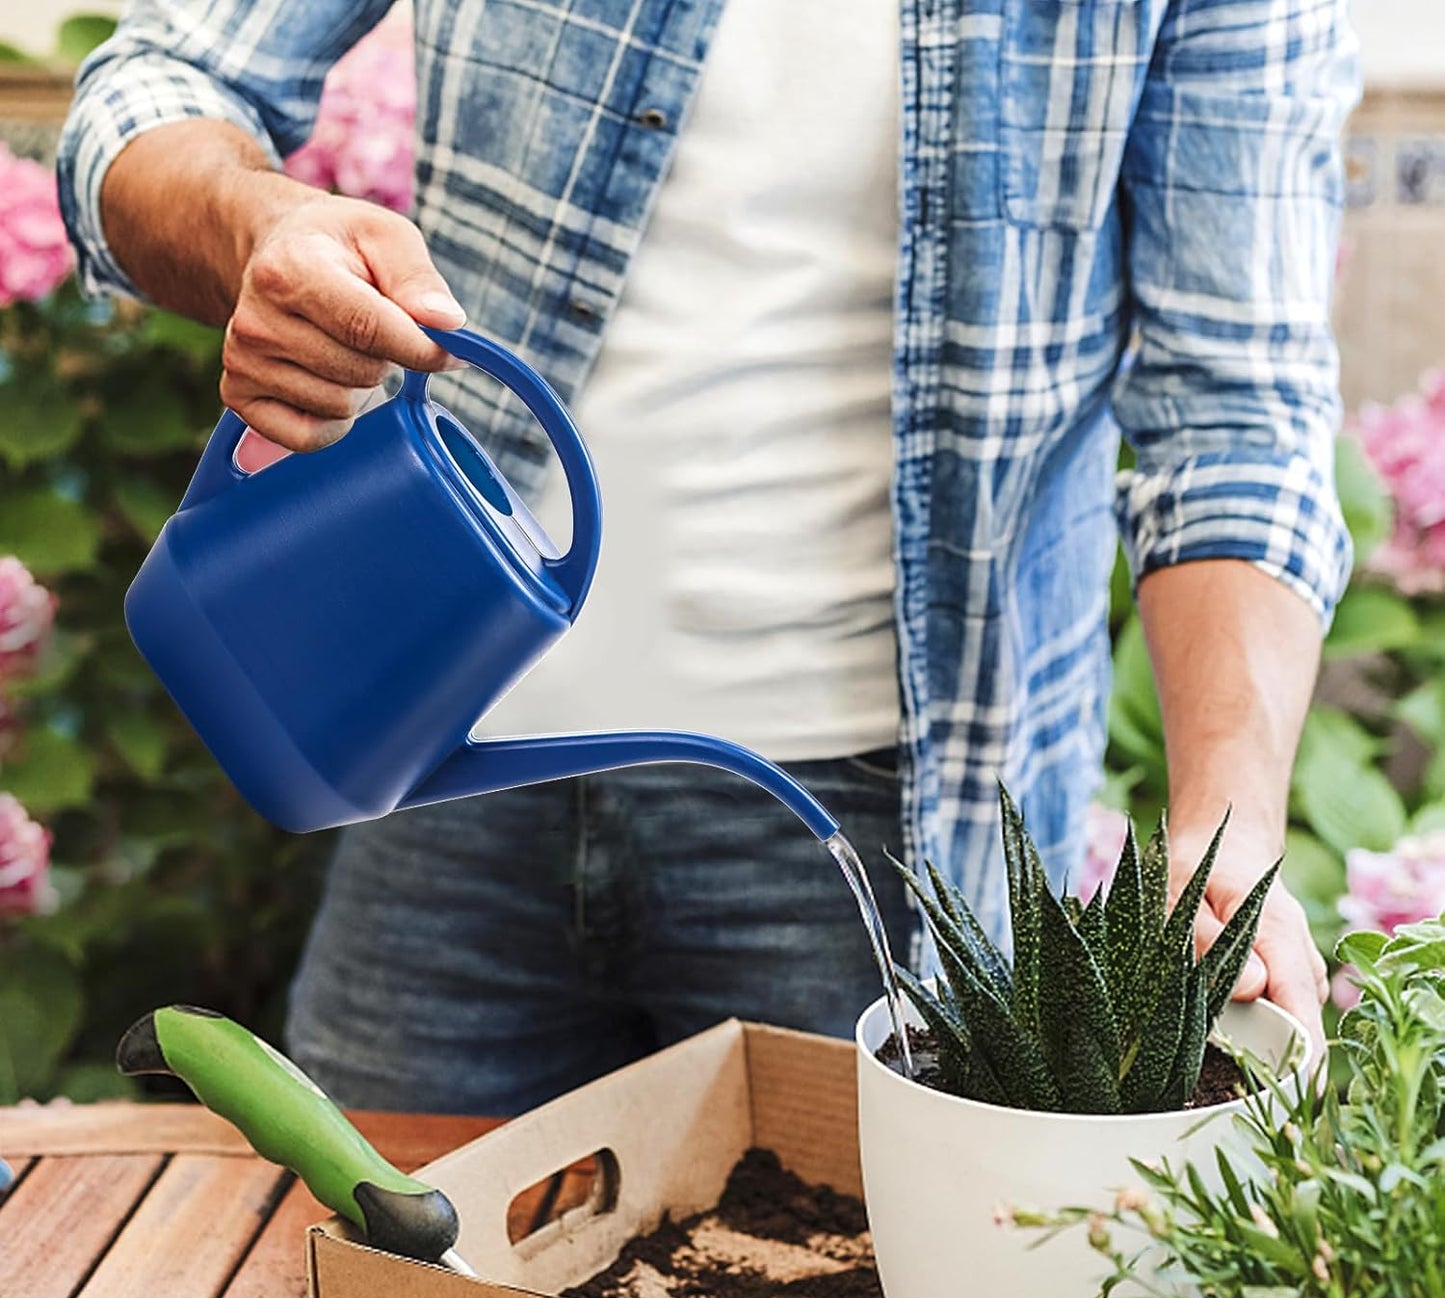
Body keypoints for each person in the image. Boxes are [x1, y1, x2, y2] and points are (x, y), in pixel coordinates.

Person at [59, 0, 1359, 1114]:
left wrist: (1222, 826)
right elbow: (152, 89)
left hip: (879, 834)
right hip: (446, 773)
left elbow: (1231, 405)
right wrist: (256, 225)